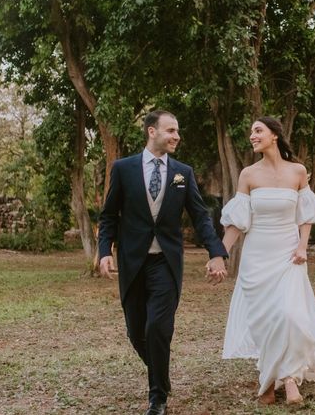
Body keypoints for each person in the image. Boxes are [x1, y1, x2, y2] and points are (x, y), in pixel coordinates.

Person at [216, 116, 315, 406]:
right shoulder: (248, 175)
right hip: (256, 257)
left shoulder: (298, 171)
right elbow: (238, 222)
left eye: (258, 130)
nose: (252, 136)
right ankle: (282, 381)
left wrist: (303, 246)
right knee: (266, 321)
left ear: (274, 135)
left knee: (291, 316)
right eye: (251, 132)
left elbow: (305, 215)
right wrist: (220, 254)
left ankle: (286, 380)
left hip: (288, 253)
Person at [98, 110, 229, 415]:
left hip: (166, 263)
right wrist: (105, 250)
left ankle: (157, 397)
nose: (176, 136)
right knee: (136, 332)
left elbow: (200, 216)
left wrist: (216, 251)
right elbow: (108, 216)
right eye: (170, 130)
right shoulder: (123, 169)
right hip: (133, 263)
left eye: (178, 131)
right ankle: (162, 375)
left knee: (158, 326)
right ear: (151, 132)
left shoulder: (183, 173)